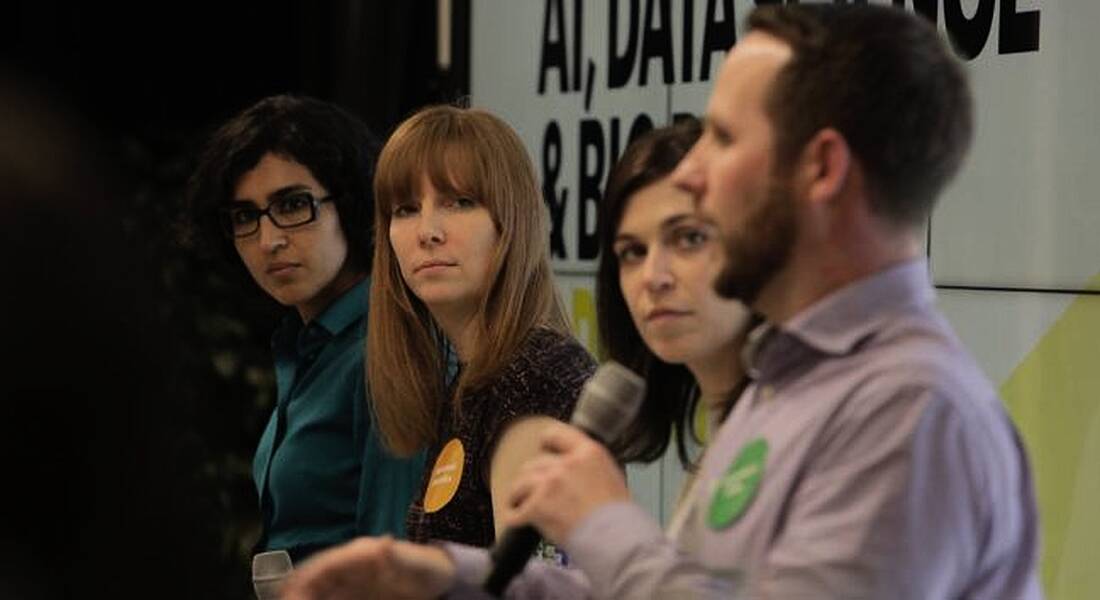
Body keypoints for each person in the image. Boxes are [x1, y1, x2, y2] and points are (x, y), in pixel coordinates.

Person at [280, 5, 1042, 600]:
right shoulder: (789, 385)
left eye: (723, 137)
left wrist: (603, 522)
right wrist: (447, 577)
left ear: (822, 168)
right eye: (632, 252)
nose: (698, 174)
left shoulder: (908, 407)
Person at [186, 94, 425, 564]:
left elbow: (396, 567)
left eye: (293, 205)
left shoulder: (384, 348)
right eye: (245, 216)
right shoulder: (308, 344)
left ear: (353, 203)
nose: (269, 240)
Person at [365, 105, 596, 548]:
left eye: (460, 202)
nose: (427, 231)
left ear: (511, 222)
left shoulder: (535, 380)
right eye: (406, 209)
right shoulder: (477, 382)